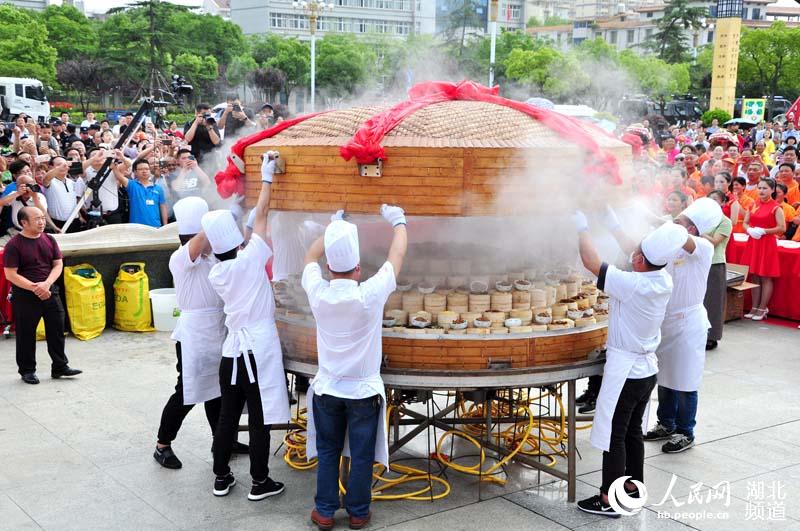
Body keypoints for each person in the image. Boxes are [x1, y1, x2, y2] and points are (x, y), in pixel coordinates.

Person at [573, 213, 687, 518]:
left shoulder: (632, 284)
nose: (632, 254)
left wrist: (581, 225)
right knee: (632, 432)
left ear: (639, 262)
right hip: (646, 371)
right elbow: (637, 251)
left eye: (636, 253)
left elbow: (590, 261)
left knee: (615, 434)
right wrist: (609, 218)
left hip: (627, 371)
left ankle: (609, 499)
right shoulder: (661, 277)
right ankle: (633, 486)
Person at [302, 204, 408, 531]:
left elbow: (308, 259)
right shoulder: (369, 296)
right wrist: (399, 222)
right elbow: (396, 258)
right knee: (361, 455)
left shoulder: (318, 292)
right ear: (359, 268)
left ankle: (324, 511)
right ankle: (358, 513)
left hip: (327, 390)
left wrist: (332, 228)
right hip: (362, 392)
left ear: (330, 267)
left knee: (328, 450)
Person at [203, 152, 289, 501]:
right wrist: (267, 178)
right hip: (256, 348)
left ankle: (221, 477)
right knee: (259, 416)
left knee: (227, 417)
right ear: (237, 239)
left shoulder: (217, 270)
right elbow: (263, 217)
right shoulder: (251, 258)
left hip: (232, 352)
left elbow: (254, 225)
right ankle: (260, 481)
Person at [153, 197, 248, 469]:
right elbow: (198, 243)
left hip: (219, 329)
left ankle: (223, 440)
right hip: (194, 334)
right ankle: (163, 444)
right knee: (187, 391)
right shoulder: (181, 258)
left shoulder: (214, 258)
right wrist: (214, 222)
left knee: (219, 390)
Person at [644, 198, 721, 453]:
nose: (676, 225)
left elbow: (675, 234)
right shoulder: (672, 245)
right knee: (666, 376)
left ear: (693, 229)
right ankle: (666, 422)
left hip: (689, 323)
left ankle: (685, 431)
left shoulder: (703, 247)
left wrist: (659, 220)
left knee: (685, 380)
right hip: (665, 320)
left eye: (682, 222)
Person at [3, 207, 82, 384]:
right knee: (26, 334)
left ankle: (60, 366)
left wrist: (46, 284)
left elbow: (57, 265)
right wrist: (35, 287)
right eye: (37, 219)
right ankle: (27, 370)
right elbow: (10, 274)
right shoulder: (14, 245)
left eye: (42, 218)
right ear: (24, 223)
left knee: (57, 330)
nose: (42, 222)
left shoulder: (49, 239)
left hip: (50, 292)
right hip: (25, 296)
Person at [741, 178, 785, 321]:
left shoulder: (776, 207)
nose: (761, 191)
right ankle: (754, 306)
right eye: (759, 188)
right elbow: (745, 223)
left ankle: (762, 307)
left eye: (765, 188)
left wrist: (764, 231)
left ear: (772, 190)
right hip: (753, 241)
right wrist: (750, 230)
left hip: (767, 243)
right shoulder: (753, 204)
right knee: (754, 275)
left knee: (765, 276)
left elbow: (782, 228)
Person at [702, 190, 732, 350]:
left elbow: (714, 242)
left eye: (715, 199)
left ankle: (712, 336)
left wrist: (697, 231)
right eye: (709, 199)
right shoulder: (702, 219)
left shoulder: (725, 221)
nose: (711, 202)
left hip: (715, 264)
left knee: (713, 302)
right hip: (699, 263)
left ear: (722, 202)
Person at [112, 158, 167, 228]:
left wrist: (165, 225)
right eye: (141, 169)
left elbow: (163, 207)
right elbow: (119, 176)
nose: (144, 171)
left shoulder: (158, 188)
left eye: (147, 169)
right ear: (135, 172)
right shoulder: (132, 185)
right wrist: (113, 167)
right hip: (136, 228)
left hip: (155, 226)